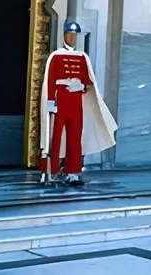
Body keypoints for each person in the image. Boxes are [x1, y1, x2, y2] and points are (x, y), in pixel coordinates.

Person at [39, 20, 118, 186]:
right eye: (69, 35)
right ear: (64, 35)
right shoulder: (56, 56)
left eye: (75, 35)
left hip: (76, 103)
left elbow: (88, 82)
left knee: (75, 138)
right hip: (60, 101)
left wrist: (81, 85)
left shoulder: (82, 57)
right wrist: (50, 102)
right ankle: (52, 171)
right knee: (55, 138)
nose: (72, 38)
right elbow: (51, 80)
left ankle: (72, 172)